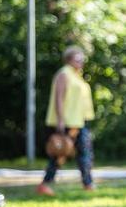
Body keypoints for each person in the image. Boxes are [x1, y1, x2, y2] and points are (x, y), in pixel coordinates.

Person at [36, 46, 96, 196]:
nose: (81, 61)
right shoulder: (64, 74)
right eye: (77, 59)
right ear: (68, 59)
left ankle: (86, 183)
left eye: (82, 59)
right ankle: (86, 183)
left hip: (80, 120)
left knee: (76, 153)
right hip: (69, 122)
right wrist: (60, 120)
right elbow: (59, 98)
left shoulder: (77, 75)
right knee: (62, 153)